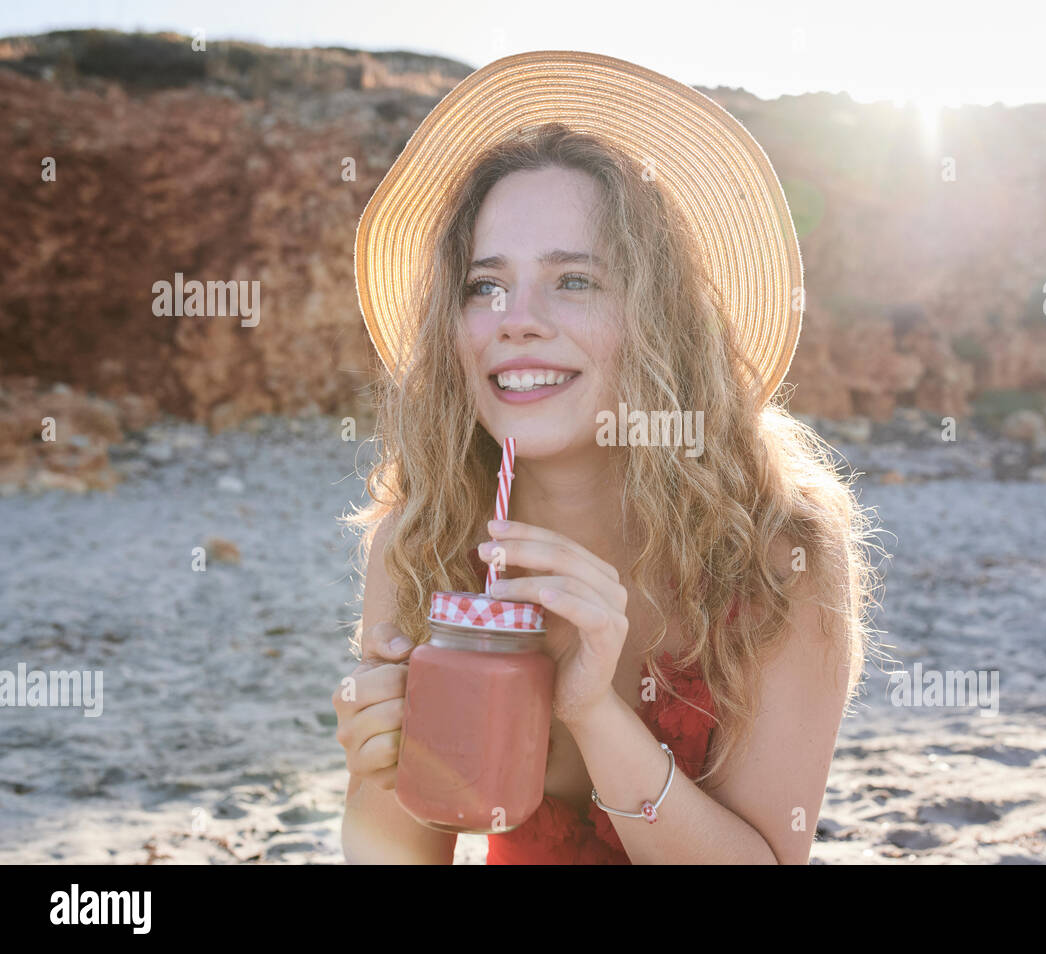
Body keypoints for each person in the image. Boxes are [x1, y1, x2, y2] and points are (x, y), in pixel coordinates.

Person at [333, 51, 887, 864]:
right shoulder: (425, 540)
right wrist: (384, 770)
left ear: (660, 323)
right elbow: (393, 853)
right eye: (485, 285)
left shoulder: (778, 548)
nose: (514, 320)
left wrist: (593, 712)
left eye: (576, 282)